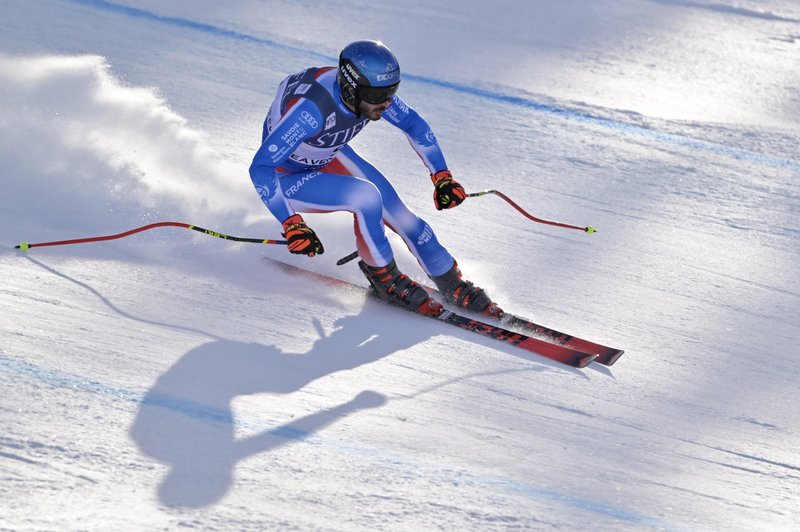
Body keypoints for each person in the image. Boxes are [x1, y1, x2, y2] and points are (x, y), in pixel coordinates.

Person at [249, 40, 502, 318]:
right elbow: (261, 167)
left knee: (403, 216)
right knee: (366, 197)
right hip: (285, 177)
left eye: (391, 91)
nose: (386, 102)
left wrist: (442, 177)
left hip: (328, 153)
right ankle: (383, 277)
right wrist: (292, 223)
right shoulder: (310, 113)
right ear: (350, 88)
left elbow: (414, 125)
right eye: (376, 94)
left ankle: (451, 282)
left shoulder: (371, 97)